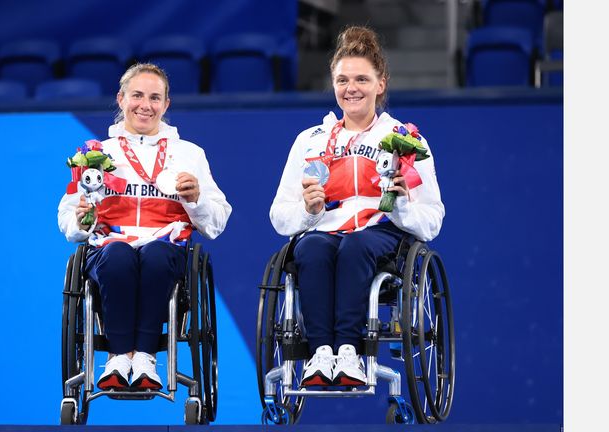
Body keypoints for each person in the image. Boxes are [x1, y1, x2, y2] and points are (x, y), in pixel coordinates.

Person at [269, 26, 444, 387]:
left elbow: (432, 220)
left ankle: (348, 352)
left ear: (381, 84)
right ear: (333, 84)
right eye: (343, 79)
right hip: (323, 229)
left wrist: (400, 205)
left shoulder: (405, 140)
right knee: (313, 248)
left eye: (362, 79)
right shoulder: (309, 140)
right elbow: (279, 216)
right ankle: (320, 355)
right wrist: (307, 209)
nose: (352, 88)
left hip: (380, 234)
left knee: (355, 246)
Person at [58, 63, 232, 390]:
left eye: (155, 98)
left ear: (166, 105)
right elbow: (68, 220)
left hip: (165, 252)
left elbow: (218, 220)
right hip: (109, 251)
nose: (145, 105)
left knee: (154, 255)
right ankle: (119, 357)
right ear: (121, 98)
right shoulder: (95, 154)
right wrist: (83, 220)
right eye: (137, 95)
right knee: (119, 255)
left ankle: (146, 359)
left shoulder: (189, 154)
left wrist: (196, 201)